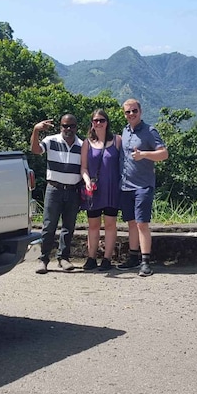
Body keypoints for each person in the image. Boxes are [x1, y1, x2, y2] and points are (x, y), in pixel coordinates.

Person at [118, 99, 168, 276]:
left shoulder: (149, 131)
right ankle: (133, 257)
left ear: (141, 111)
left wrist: (144, 155)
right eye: (127, 112)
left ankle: (146, 261)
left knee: (142, 224)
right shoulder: (124, 131)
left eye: (134, 111)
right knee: (131, 223)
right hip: (126, 186)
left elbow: (163, 154)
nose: (131, 114)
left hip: (143, 186)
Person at [31, 114, 83, 274]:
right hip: (54, 189)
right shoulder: (51, 140)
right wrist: (36, 131)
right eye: (65, 126)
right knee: (49, 226)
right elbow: (35, 150)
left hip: (73, 190)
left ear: (76, 127)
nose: (68, 129)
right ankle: (43, 259)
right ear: (60, 126)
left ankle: (63, 258)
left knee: (69, 226)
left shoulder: (82, 145)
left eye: (71, 126)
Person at [80, 109, 122, 271]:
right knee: (93, 225)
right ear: (92, 123)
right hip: (94, 190)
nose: (98, 123)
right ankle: (91, 258)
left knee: (110, 224)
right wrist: (87, 181)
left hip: (112, 189)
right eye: (95, 120)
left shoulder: (117, 141)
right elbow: (83, 168)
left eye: (102, 120)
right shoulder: (87, 143)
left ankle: (107, 259)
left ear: (107, 122)